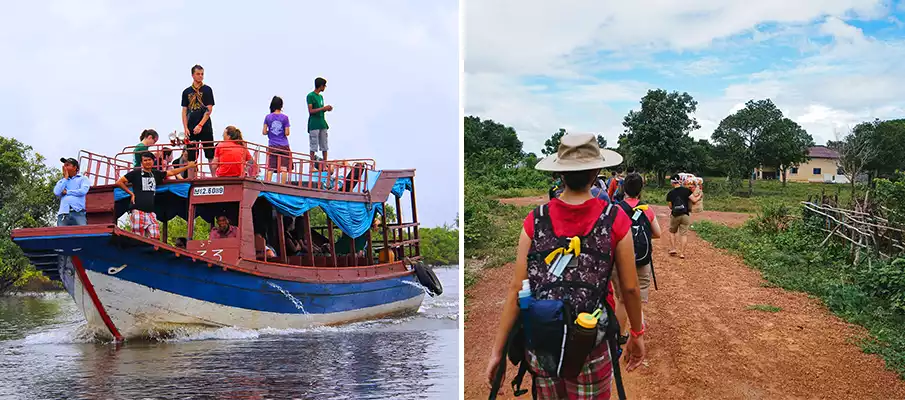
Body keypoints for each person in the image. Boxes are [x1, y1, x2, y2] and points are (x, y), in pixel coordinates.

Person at [486, 134, 646, 399]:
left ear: (559, 174)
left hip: (543, 342)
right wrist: (637, 334)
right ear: (596, 171)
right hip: (591, 344)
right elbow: (628, 289)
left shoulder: (535, 220)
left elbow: (518, 288)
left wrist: (497, 352)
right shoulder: (614, 219)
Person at [612, 172, 661, 341]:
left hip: (619, 262)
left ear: (623, 188)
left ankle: (620, 335)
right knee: (637, 297)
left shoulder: (616, 210)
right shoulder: (647, 210)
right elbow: (657, 233)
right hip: (642, 260)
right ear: (641, 189)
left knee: (621, 300)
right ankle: (637, 332)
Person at [116, 152, 197, 239]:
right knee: (137, 237)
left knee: (155, 236)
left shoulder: (156, 174)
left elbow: (172, 172)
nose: (147, 162)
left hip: (150, 211)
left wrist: (188, 166)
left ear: (153, 161)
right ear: (142, 162)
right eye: (145, 160)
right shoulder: (135, 174)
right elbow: (119, 182)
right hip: (137, 210)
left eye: (149, 160)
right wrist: (131, 193)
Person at [181, 64, 216, 177]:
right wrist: (185, 128)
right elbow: (184, 111)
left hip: (205, 126)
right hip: (191, 125)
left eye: (202, 74)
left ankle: (214, 177)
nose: (200, 76)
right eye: (198, 74)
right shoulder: (186, 92)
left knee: (210, 153)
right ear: (193, 75)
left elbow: (209, 109)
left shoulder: (207, 89)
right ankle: (191, 179)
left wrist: (200, 125)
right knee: (191, 154)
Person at [54, 157, 91, 226]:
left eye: (67, 165)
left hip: (78, 212)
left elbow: (83, 191)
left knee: (83, 233)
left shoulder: (82, 179)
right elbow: (56, 192)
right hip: (63, 213)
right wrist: (65, 178)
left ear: (75, 167)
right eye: (64, 165)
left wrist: (67, 192)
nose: (65, 167)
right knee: (61, 234)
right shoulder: (62, 181)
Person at [263, 96, 292, 184]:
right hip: (283, 145)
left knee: (271, 166)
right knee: (284, 167)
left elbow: (264, 132)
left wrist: (271, 132)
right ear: (281, 106)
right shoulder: (285, 118)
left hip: (272, 145)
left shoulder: (268, 117)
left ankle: (268, 183)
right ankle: (282, 185)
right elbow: (287, 133)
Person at [666, 174, 695, 259]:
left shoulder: (670, 193)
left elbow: (670, 206)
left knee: (672, 232)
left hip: (675, 215)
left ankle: (673, 248)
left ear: (672, 183)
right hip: (685, 215)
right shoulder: (686, 191)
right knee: (684, 235)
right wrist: (700, 195)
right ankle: (682, 253)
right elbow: (694, 200)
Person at [307, 77, 333, 163]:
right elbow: (310, 111)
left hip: (322, 123)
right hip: (314, 124)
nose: (325, 87)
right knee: (313, 145)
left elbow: (320, 109)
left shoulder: (321, 97)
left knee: (324, 145)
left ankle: (325, 164)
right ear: (321, 86)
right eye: (324, 86)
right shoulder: (310, 96)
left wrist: (326, 109)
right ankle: (312, 165)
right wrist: (323, 108)